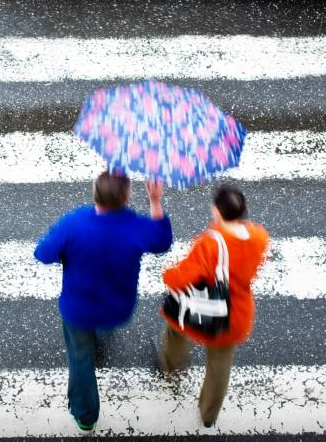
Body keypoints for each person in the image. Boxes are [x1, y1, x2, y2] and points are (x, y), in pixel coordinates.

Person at [34, 171, 173, 433]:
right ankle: (100, 337)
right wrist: (155, 201)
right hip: (117, 308)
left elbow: (42, 253)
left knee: (80, 359)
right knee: (100, 330)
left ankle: (86, 417)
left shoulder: (74, 224)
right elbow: (163, 241)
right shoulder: (137, 227)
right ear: (128, 196)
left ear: (94, 193)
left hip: (79, 309)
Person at [156, 184, 270, 428]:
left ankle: (171, 366)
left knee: (175, 325)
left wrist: (168, 275)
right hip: (235, 314)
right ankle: (209, 414)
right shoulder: (259, 236)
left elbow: (184, 276)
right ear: (244, 210)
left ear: (217, 211)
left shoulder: (211, 243)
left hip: (203, 310)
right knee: (220, 365)